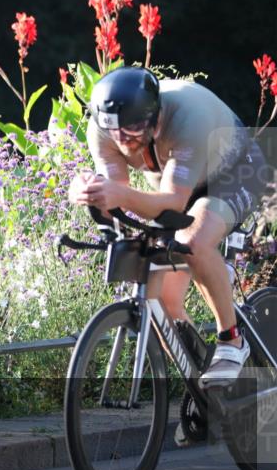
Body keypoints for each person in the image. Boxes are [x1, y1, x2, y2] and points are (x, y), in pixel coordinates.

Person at [68, 67, 271, 387]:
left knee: (194, 241)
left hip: (234, 172)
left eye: (133, 129)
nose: (123, 140)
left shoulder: (188, 117)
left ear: (156, 117)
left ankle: (232, 340)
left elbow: (174, 202)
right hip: (180, 184)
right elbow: (118, 188)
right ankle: (204, 387)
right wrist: (88, 192)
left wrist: (119, 194)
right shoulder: (104, 127)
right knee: (160, 296)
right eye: (115, 131)